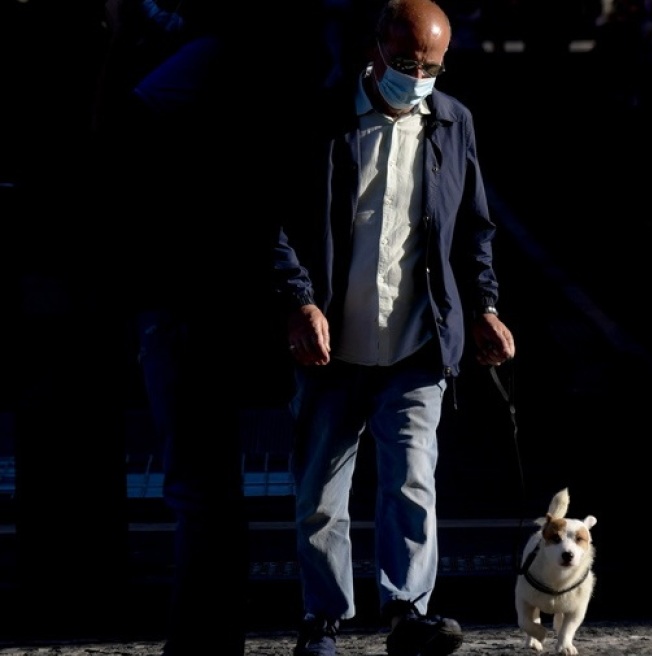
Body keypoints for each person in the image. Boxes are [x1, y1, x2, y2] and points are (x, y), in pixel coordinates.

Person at [272, 0, 517, 654]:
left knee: (410, 480)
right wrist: (300, 301)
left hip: (416, 344)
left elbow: (474, 231)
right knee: (319, 496)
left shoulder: (451, 123)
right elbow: (273, 225)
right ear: (374, 52)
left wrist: (484, 308)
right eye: (404, 63)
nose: (416, 77)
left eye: (430, 66)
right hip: (332, 353)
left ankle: (408, 612)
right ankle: (322, 618)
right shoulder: (322, 120)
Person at [98, 5, 317, 654]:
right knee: (213, 489)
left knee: (201, 489)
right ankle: (213, 637)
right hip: (203, 301)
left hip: (184, 303)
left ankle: (203, 641)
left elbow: (114, 132)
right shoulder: (224, 68)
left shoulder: (194, 66)